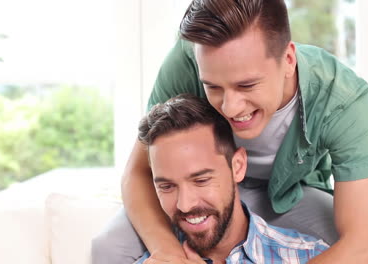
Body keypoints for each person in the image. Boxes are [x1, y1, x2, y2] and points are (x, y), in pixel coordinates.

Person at [92, 0, 368, 263]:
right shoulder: (187, 59)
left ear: (288, 60)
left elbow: (362, 246)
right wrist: (166, 251)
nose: (230, 108)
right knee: (109, 247)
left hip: (293, 196)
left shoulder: (345, 100)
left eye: (246, 85)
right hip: (209, 186)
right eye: (213, 88)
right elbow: (139, 171)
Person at [135, 94, 329, 264]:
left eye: (201, 180)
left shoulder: (310, 256)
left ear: (237, 166)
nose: (185, 205)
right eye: (167, 186)